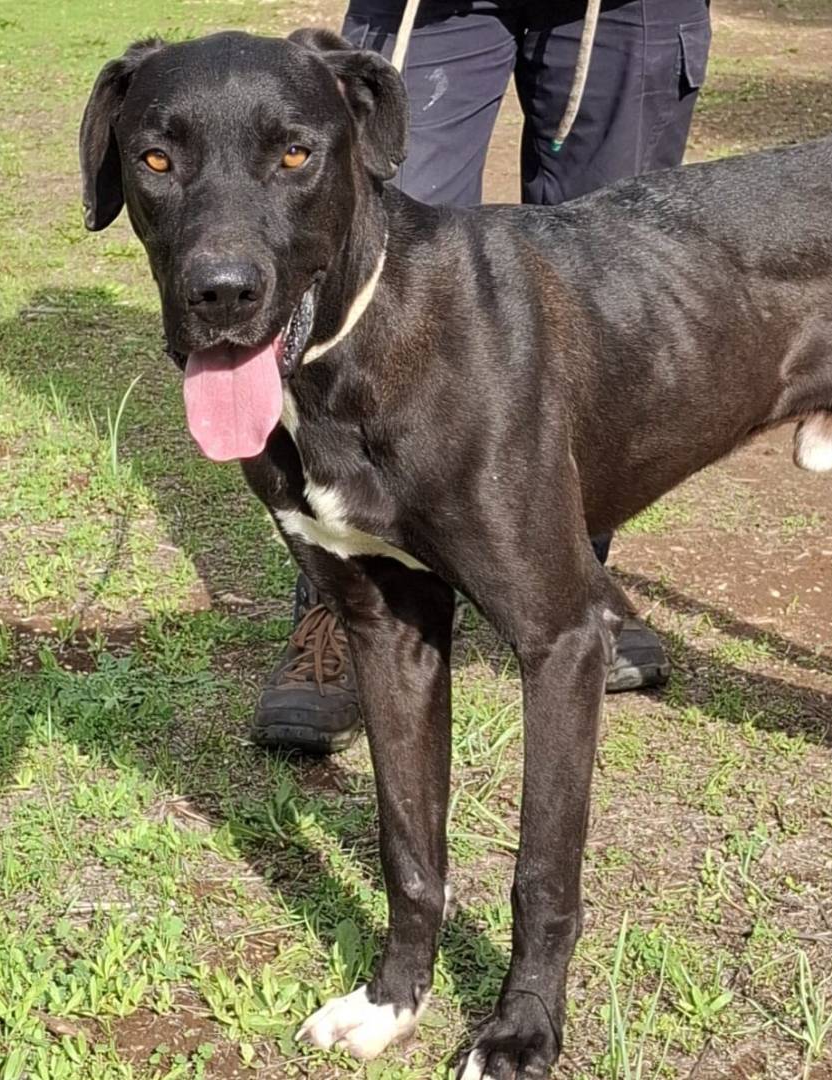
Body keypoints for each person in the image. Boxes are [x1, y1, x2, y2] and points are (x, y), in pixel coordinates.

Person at [252, 0, 712, 754]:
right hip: (430, 13)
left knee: (607, 296)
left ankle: (571, 581)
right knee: (369, 261)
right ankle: (344, 605)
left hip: (623, 12)